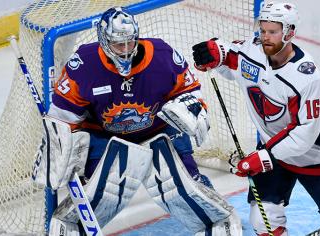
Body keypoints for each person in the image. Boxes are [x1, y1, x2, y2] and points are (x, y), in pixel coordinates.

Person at [32, 7, 241, 235]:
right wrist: (60, 145)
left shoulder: (162, 55)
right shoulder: (84, 64)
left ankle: (217, 221)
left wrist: (191, 109)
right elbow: (63, 116)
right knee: (99, 195)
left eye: (130, 43)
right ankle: (74, 227)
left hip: (160, 129)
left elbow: (190, 91)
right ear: (103, 40)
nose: (125, 50)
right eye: (118, 44)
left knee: (186, 188)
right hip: (105, 137)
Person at [191, 2, 320, 235]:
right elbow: (229, 55)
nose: (265, 37)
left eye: (272, 32)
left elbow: (304, 134)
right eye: (262, 31)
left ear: (289, 32)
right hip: (273, 152)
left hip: (316, 156)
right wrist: (214, 53)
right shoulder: (253, 52)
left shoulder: (305, 77)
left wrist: (264, 156)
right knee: (263, 220)